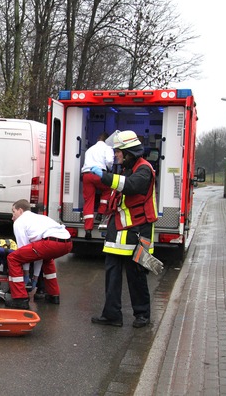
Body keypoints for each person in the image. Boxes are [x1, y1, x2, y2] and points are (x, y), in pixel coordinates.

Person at [89, 130, 157, 328]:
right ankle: (111, 315)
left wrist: (105, 177)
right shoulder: (129, 168)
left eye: (118, 151)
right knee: (112, 275)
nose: (116, 155)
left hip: (137, 231)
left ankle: (142, 315)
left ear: (129, 152)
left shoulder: (144, 169)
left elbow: (131, 186)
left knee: (137, 275)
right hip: (118, 230)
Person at [5, 199, 72, 309]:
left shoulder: (19, 222)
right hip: (67, 241)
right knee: (47, 259)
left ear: (20, 211)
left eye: (13, 212)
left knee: (13, 257)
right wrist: (35, 278)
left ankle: (19, 298)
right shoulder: (38, 218)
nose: (12, 216)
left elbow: (22, 251)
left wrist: (26, 275)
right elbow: (37, 255)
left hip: (51, 242)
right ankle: (53, 295)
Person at [81, 132, 114, 239]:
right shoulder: (107, 148)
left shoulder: (90, 149)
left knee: (89, 200)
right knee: (108, 190)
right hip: (100, 174)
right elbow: (109, 161)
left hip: (87, 175)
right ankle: (100, 213)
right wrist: (110, 168)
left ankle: (88, 230)